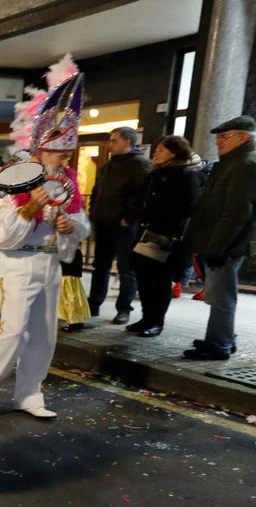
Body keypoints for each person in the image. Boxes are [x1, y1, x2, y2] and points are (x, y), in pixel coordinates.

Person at [0, 57, 92, 420]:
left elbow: (82, 225)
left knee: (44, 335)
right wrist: (29, 209)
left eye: (68, 150)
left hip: (50, 263)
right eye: (57, 148)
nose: (63, 155)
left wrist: (73, 230)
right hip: (18, 265)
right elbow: (0, 235)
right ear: (40, 146)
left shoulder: (69, 182)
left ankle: (30, 392)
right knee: (11, 332)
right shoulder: (10, 178)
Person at [181, 115, 256, 360]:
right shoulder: (233, 162)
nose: (218, 142)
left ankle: (220, 344)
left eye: (224, 137)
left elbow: (236, 213)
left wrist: (217, 246)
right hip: (221, 241)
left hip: (228, 244)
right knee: (218, 294)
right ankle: (221, 338)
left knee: (221, 295)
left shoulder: (246, 164)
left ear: (243, 137)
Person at [126, 135, 202, 337]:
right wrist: (134, 215)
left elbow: (188, 208)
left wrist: (157, 214)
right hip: (145, 233)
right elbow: (142, 200)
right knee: (143, 277)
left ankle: (156, 321)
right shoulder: (153, 175)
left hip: (166, 235)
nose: (156, 153)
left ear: (174, 153)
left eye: (161, 149)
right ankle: (146, 318)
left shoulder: (186, 176)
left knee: (159, 281)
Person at [87, 126, 151, 323]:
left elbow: (145, 196)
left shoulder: (140, 165)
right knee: (100, 266)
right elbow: (97, 191)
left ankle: (124, 308)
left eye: (114, 140)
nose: (110, 144)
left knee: (126, 268)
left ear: (127, 142)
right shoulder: (108, 165)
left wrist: (131, 217)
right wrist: (93, 210)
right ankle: (93, 304)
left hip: (124, 226)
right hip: (104, 221)